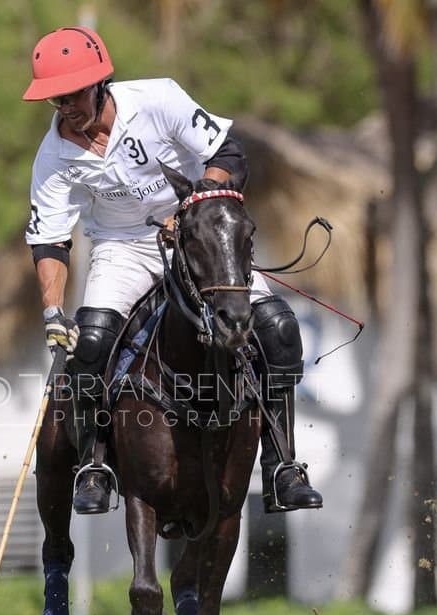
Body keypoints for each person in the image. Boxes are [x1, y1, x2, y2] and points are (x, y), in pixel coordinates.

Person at [22, 26, 322, 516]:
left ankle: (282, 465)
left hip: (200, 236)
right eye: (56, 101)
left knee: (279, 330)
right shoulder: (53, 156)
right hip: (122, 248)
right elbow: (49, 238)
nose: (66, 108)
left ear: (101, 83)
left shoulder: (158, 99)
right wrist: (54, 312)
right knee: (92, 343)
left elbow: (227, 153)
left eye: (73, 94)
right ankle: (94, 464)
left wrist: (194, 204)